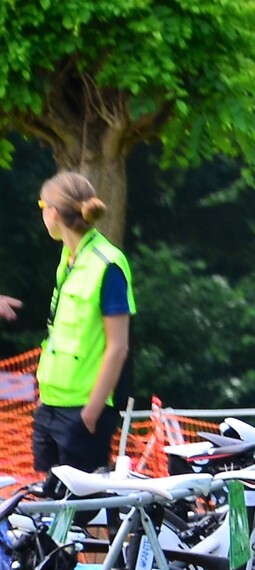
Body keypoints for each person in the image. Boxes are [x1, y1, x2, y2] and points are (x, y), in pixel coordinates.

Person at [28, 172, 135, 481]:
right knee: (47, 514)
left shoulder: (108, 263)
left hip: (82, 412)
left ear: (54, 212)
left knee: (82, 516)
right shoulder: (69, 258)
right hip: (50, 405)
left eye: (41, 205)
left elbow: (118, 347)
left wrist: (91, 413)